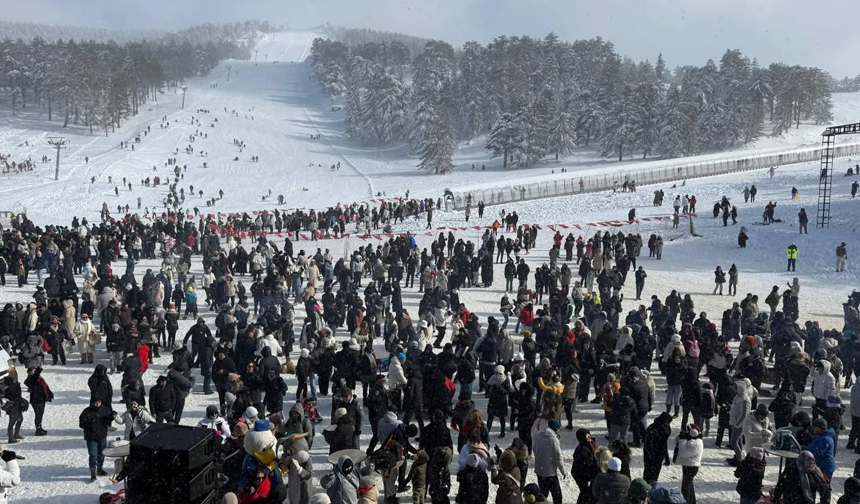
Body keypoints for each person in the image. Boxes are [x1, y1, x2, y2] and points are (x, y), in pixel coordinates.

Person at [79, 397, 114, 480]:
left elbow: (108, 422)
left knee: (102, 454)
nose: (97, 404)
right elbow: (81, 424)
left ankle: (99, 469)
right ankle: (93, 471)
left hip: (102, 436)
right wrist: (90, 423)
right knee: (93, 455)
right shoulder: (87, 411)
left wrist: (112, 417)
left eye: (99, 402)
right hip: (91, 437)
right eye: (96, 402)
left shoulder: (105, 410)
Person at [533, 418, 564, 504]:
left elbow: (535, 450)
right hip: (551, 473)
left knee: (543, 495)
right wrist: (563, 471)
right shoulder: (554, 440)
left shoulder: (538, 436)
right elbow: (559, 457)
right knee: (557, 496)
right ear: (556, 429)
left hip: (540, 471)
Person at [673, 425, 703, 504]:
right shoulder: (691, 440)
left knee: (686, 487)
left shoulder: (697, 442)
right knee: (689, 485)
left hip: (692, 467)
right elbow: (677, 444)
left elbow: (684, 452)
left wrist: (682, 440)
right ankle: (691, 501)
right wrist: (680, 437)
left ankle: (686, 501)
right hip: (687, 465)